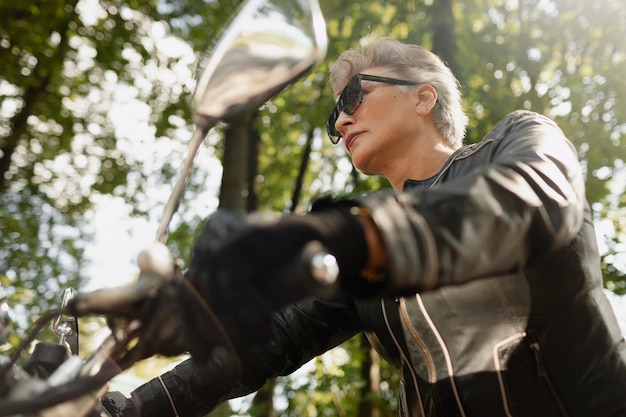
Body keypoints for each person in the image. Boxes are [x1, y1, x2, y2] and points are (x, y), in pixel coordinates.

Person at [100, 37, 626, 417]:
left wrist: (354, 235)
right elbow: (264, 346)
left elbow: (531, 203)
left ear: (424, 97)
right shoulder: (361, 261)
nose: (342, 122)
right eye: (335, 119)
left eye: (353, 98)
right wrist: (127, 404)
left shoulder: (518, 140)